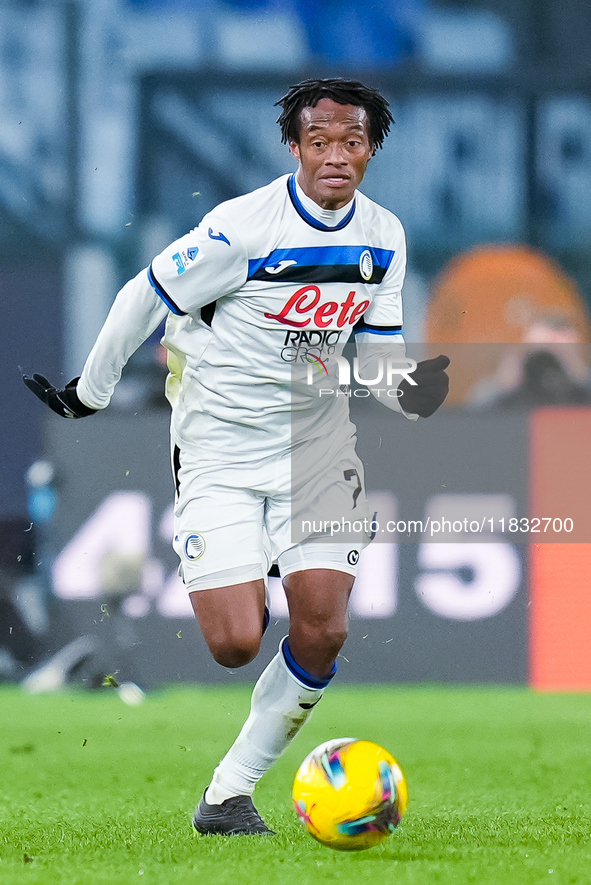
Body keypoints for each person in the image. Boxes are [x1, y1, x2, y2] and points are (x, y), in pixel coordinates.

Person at [24, 78, 449, 836]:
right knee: (233, 643)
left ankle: (226, 795)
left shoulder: (383, 235)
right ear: (293, 147)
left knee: (323, 629)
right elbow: (140, 295)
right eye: (318, 141)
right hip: (217, 447)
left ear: (371, 149)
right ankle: (248, 568)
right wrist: (91, 391)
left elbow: (380, 358)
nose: (335, 156)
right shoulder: (240, 229)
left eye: (351, 142)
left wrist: (406, 390)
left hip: (315, 448)